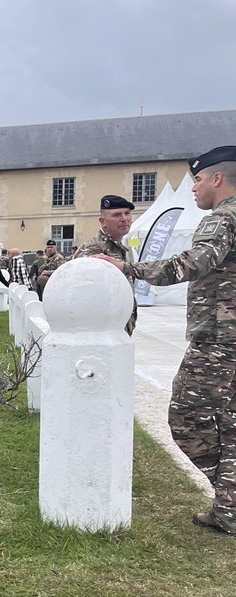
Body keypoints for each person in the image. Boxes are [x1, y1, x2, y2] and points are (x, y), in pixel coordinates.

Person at [96, 146, 236, 536]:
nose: (194, 190)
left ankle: (230, 499)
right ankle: (229, 509)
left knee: (186, 418)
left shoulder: (223, 218)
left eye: (199, 181)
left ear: (218, 179)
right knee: (230, 422)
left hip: (220, 339)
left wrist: (129, 267)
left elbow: (195, 262)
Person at [69, 195, 137, 334]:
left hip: (118, 328)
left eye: (127, 213)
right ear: (103, 221)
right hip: (101, 332)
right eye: (117, 215)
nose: (124, 219)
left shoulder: (121, 248)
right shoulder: (94, 249)